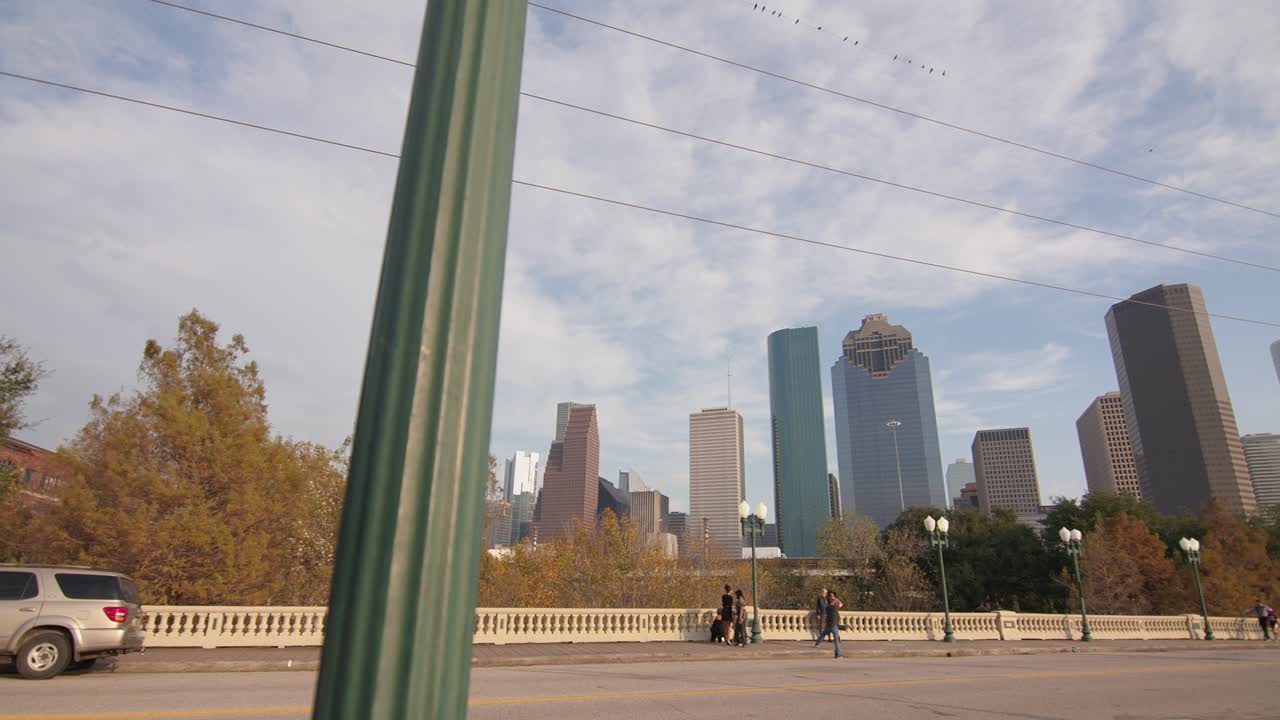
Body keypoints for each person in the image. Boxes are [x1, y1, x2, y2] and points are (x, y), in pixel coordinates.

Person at [815, 590, 843, 658]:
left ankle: (817, 643)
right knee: (836, 641)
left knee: (822, 635)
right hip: (834, 625)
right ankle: (838, 654)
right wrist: (835, 599)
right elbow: (841, 604)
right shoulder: (835, 607)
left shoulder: (827, 608)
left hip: (828, 625)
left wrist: (832, 600)